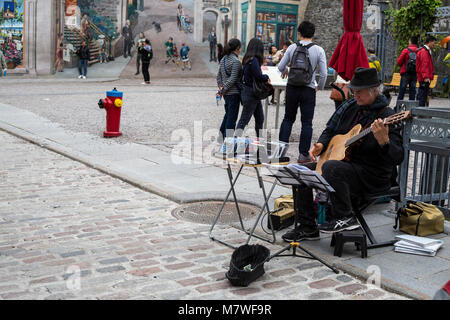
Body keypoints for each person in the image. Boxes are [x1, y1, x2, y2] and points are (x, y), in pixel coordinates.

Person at [281, 67, 404, 241]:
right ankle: (307, 226)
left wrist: (384, 141)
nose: (355, 95)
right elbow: (330, 129)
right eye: (354, 91)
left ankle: (345, 218)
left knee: (332, 168)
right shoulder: (350, 106)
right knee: (299, 171)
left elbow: (398, 157)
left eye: (359, 92)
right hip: (345, 166)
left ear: (374, 91)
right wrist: (321, 144)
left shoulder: (387, 116)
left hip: (371, 175)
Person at [278, 21, 327, 163]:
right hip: (308, 89)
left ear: (299, 33)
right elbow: (323, 74)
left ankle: (280, 153)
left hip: (292, 87)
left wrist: (287, 71)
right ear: (313, 34)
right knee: (307, 123)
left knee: (288, 119)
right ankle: (303, 155)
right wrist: (320, 87)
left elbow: (280, 66)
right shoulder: (318, 50)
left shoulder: (292, 47)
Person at [235, 38, 270, 138]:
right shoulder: (254, 60)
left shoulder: (247, 59)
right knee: (244, 120)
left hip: (251, 93)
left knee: (260, 118)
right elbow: (258, 76)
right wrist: (266, 77)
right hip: (251, 93)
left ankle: (259, 140)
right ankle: (234, 142)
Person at [216, 38, 243, 142]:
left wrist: (221, 88)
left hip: (226, 94)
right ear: (237, 48)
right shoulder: (236, 62)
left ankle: (221, 136)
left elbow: (218, 76)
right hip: (234, 93)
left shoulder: (223, 59)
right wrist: (224, 89)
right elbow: (233, 79)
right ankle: (228, 140)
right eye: (240, 48)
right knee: (232, 118)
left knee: (227, 115)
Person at [396, 36, 419, 101]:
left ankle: (398, 107)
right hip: (414, 74)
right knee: (412, 92)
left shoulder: (406, 50)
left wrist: (402, 65)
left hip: (405, 73)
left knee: (402, 91)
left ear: (410, 41)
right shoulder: (419, 51)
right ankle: (411, 108)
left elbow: (399, 62)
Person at [416, 35, 437, 107]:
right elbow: (424, 65)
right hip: (424, 78)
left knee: (422, 95)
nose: (435, 44)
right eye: (434, 43)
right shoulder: (424, 52)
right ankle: (420, 112)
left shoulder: (425, 51)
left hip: (423, 77)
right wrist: (425, 77)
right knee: (422, 96)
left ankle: (420, 111)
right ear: (429, 42)